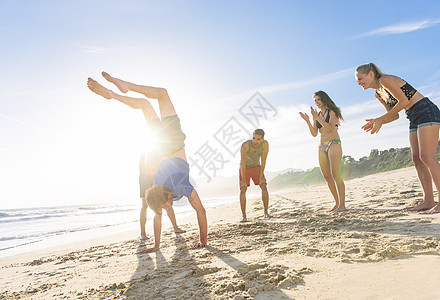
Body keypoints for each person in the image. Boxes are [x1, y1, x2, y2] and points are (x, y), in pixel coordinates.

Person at [87, 72, 191, 245]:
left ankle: (117, 92)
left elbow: (173, 208)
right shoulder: (171, 183)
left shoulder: (174, 183)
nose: (167, 205)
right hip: (167, 145)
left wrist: (157, 245)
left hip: (171, 143)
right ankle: (117, 91)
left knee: (156, 98)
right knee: (150, 101)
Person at [355, 63, 440, 213]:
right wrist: (378, 121)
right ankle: (428, 200)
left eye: (360, 78)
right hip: (412, 116)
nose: (359, 83)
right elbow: (394, 115)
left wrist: (381, 119)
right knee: (416, 158)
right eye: (357, 81)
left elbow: (404, 101)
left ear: (370, 74)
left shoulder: (385, 80)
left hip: (425, 110)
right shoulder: (378, 93)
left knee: (427, 157)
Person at [299, 91, 346, 212]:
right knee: (327, 176)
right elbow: (314, 133)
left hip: (333, 143)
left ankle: (342, 205)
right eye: (315, 101)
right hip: (321, 146)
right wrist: (309, 121)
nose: (317, 103)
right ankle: (336, 203)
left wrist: (318, 118)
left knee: (336, 174)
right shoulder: (317, 115)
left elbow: (330, 128)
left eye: (318, 100)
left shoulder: (332, 112)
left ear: (324, 99)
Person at [239, 129, 271, 222]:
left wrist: (261, 176)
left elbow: (264, 160)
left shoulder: (265, 144)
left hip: (256, 166)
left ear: (262, 139)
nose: (255, 141)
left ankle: (266, 213)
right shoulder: (245, 146)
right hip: (245, 168)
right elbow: (243, 163)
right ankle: (244, 216)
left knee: (263, 185)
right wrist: (243, 179)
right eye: (254, 138)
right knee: (243, 188)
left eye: (258, 139)